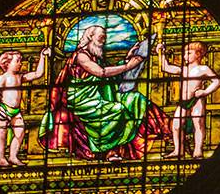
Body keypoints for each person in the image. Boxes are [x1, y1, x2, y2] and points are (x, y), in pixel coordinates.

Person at [38, 25, 169, 161]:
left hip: (100, 96)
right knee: (117, 110)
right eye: (101, 37)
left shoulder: (96, 57)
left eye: (105, 38)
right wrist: (128, 66)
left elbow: (110, 74)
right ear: (90, 37)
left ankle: (166, 130)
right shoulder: (81, 56)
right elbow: (101, 72)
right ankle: (109, 151)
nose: (104, 41)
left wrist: (127, 59)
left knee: (135, 99)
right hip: (81, 100)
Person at [159, 40, 220, 158]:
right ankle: (178, 150)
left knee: (198, 124)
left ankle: (198, 151)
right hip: (183, 102)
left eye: (188, 53)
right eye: (184, 53)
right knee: (176, 125)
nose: (185, 56)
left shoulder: (203, 69)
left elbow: (217, 81)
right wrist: (161, 53)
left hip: (196, 100)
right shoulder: (183, 69)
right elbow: (165, 67)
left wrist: (205, 92)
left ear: (198, 54)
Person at [0, 47, 50, 167]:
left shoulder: (20, 77)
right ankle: (1, 158)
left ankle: (13, 156)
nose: (20, 64)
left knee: (20, 131)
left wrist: (43, 57)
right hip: (4, 110)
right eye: (17, 61)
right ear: (7, 63)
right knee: (1, 133)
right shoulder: (2, 78)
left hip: (16, 111)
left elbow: (38, 74)